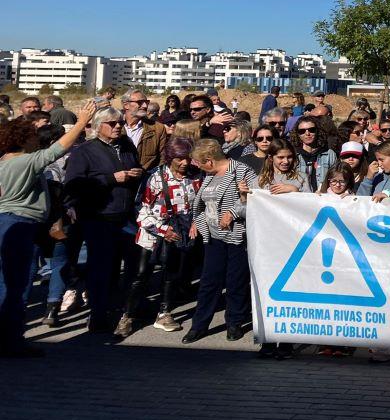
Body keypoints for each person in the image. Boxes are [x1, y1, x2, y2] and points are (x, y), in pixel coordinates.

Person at [0, 101, 95, 356]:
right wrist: (82, 122)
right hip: (19, 223)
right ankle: (11, 342)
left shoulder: (4, 161)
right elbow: (57, 150)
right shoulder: (24, 162)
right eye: (32, 135)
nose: (36, 139)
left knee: (6, 284)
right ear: (23, 139)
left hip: (8, 223)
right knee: (14, 287)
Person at [63, 106, 144, 332]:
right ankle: (98, 315)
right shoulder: (85, 151)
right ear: (99, 126)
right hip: (99, 217)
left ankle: (122, 311)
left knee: (131, 268)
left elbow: (133, 169)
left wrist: (135, 173)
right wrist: (111, 178)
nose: (118, 126)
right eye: (112, 123)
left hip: (126, 216)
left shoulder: (126, 146)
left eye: (120, 122)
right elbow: (75, 184)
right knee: (101, 268)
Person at [114, 137, 200, 339]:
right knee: (141, 275)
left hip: (179, 233)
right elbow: (142, 212)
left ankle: (164, 312)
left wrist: (196, 222)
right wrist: (162, 230)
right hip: (152, 234)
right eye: (179, 158)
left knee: (171, 275)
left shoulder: (196, 177)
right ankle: (127, 316)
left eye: (187, 158)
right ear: (170, 157)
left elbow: (198, 205)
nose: (184, 163)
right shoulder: (155, 177)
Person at [183, 139, 255, 345]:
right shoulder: (208, 175)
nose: (195, 166)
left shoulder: (241, 171)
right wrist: (199, 220)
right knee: (209, 282)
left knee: (235, 281)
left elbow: (253, 200)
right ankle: (199, 325)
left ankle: (234, 322)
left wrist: (232, 213)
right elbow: (205, 204)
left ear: (209, 160)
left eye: (198, 162)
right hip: (213, 236)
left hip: (236, 236)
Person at [290, 117, 337, 191]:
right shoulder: (293, 155)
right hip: (299, 198)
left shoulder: (329, 154)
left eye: (311, 130)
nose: (307, 133)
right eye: (302, 131)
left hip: (322, 197)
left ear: (317, 131)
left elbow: (336, 178)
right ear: (297, 134)